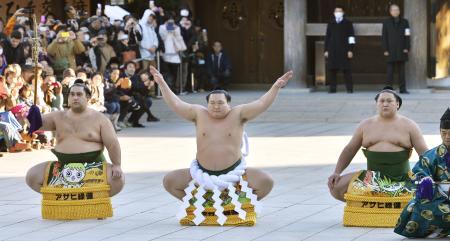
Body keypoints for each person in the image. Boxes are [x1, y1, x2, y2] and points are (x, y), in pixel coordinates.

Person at [155, 64, 292, 200]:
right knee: (170, 181)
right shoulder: (198, 113)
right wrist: (161, 83)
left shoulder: (238, 114)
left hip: (234, 174)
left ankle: (240, 205)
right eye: (212, 103)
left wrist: (275, 87)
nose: (216, 106)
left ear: (229, 104)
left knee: (265, 182)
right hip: (201, 175)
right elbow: (176, 103)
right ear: (207, 104)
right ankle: (199, 205)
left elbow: (262, 103)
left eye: (220, 103)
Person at [25, 83, 124, 202]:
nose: (75, 97)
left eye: (79, 94)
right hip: (63, 167)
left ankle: (95, 199)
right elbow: (35, 125)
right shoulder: (58, 116)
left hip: (93, 166)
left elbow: (112, 143)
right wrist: (33, 113)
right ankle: (64, 197)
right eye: (72, 94)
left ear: (87, 98)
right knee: (32, 176)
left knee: (118, 180)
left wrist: (117, 165)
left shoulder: (100, 119)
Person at [328, 87, 428, 202]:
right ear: (376, 104)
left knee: (429, 187)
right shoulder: (365, 125)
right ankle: (369, 204)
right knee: (336, 187)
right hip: (370, 178)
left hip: (401, 178)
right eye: (381, 101)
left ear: (397, 104)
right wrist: (337, 172)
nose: (385, 104)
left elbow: (425, 153)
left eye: (389, 101)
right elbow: (349, 150)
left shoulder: (410, 126)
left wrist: (429, 175)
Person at [394, 108, 450, 238]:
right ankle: (435, 230)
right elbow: (417, 175)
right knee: (420, 206)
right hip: (437, 197)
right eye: (444, 133)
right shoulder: (430, 156)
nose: (448, 137)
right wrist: (427, 182)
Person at [324, 5, 355, 93]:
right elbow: (327, 37)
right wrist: (326, 50)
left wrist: (350, 49)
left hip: (345, 50)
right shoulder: (331, 23)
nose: (338, 13)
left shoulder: (348, 23)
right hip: (332, 49)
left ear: (343, 13)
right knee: (332, 70)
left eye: (339, 11)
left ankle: (349, 89)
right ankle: (332, 89)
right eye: (336, 11)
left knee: (346, 70)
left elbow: (351, 37)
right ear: (334, 13)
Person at [382, 4, 411, 94]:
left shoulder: (405, 22)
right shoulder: (386, 22)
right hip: (390, 50)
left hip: (402, 49)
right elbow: (384, 37)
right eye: (393, 10)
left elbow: (407, 35)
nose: (395, 12)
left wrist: (407, 47)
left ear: (399, 11)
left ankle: (403, 89)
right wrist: (385, 49)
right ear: (390, 12)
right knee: (390, 72)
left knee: (401, 71)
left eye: (397, 10)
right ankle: (389, 89)